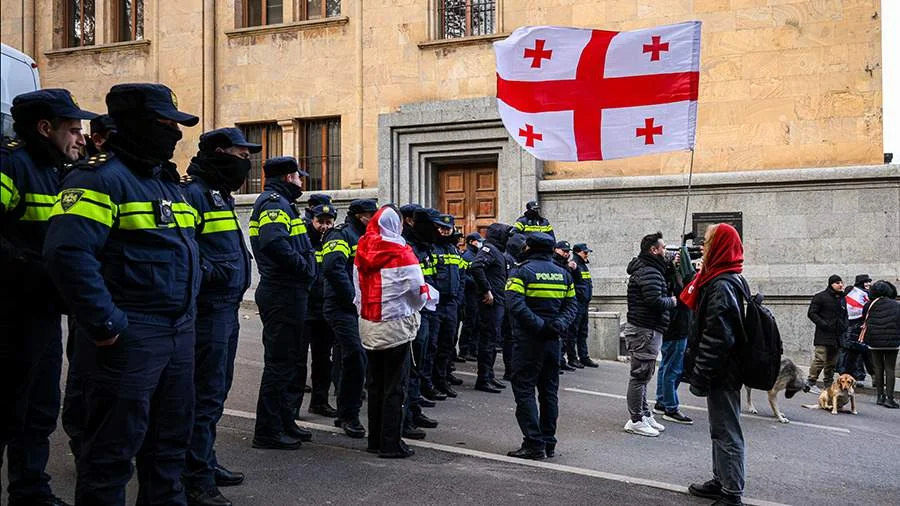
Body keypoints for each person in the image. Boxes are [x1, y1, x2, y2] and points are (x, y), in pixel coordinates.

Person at [43, 83, 199, 505]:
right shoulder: (98, 178)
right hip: (130, 337)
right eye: (165, 124)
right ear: (136, 125)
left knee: (168, 454)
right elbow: (67, 254)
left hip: (177, 334)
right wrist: (107, 324)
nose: (175, 134)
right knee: (110, 458)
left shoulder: (165, 182)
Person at [1, 89, 96, 506]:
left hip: (41, 312)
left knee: (39, 406)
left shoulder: (60, 170)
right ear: (45, 128)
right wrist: (33, 269)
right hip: (7, 314)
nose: (81, 138)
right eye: (73, 130)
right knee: (7, 406)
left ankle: (30, 489)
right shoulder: (11, 165)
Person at [181, 127, 258, 505]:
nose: (247, 163)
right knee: (203, 394)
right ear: (219, 152)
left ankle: (204, 460)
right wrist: (218, 274)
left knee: (216, 391)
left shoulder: (218, 195)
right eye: (242, 156)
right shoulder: (194, 193)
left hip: (225, 309)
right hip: (208, 310)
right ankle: (195, 478)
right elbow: (187, 255)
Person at [355, 205, 435, 458]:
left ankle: (375, 440)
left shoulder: (362, 248)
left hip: (369, 324)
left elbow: (356, 290)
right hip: (396, 326)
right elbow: (417, 291)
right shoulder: (402, 252)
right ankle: (391, 443)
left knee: (376, 384)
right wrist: (420, 303)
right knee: (394, 387)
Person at [248, 156, 317, 450]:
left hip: (288, 292)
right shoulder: (274, 203)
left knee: (288, 362)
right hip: (282, 292)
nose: (302, 181)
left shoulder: (284, 203)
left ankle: (284, 420)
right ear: (289, 177)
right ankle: (267, 431)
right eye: (299, 176)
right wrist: (304, 268)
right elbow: (274, 243)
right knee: (279, 364)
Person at [681, 223, 748, 506]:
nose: (703, 248)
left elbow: (718, 336)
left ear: (719, 247)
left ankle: (731, 493)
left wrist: (701, 374)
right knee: (719, 428)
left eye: (707, 243)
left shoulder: (722, 284)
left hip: (722, 370)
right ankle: (721, 479)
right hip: (722, 369)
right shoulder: (721, 278)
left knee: (726, 429)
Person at [505, 233, 580, 460]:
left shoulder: (520, 271)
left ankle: (533, 443)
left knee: (525, 390)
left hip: (529, 340)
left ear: (529, 247)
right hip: (553, 340)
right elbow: (572, 305)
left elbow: (515, 304)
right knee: (549, 393)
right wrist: (556, 325)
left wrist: (540, 326)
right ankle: (549, 442)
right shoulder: (564, 274)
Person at [323, 198, 377, 438]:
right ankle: (349, 415)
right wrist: (353, 297)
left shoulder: (367, 237)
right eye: (369, 215)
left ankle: (345, 411)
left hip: (360, 306)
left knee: (355, 357)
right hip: (341, 305)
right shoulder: (340, 236)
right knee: (355, 356)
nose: (372, 219)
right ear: (358, 216)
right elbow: (334, 268)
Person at [623, 232, 676, 437]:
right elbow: (654, 301)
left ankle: (644, 414)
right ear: (653, 250)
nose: (666, 252)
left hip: (647, 330)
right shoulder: (650, 272)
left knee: (644, 375)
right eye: (663, 248)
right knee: (639, 376)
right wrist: (672, 301)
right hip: (645, 330)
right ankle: (636, 419)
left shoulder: (651, 269)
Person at [402, 207, 440, 439]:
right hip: (411, 312)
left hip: (426, 309)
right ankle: (405, 418)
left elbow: (430, 276)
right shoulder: (407, 246)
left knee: (419, 364)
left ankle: (414, 410)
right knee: (409, 366)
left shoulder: (425, 246)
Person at [301, 202, 339, 418]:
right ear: (312, 221)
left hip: (324, 310)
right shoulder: (304, 240)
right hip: (306, 309)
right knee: (298, 360)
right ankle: (292, 407)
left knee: (323, 360)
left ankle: (320, 402)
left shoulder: (333, 243)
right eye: (320, 222)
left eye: (328, 222)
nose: (324, 226)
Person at [470, 222, 512, 393]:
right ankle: (483, 379)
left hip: (498, 302)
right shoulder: (489, 249)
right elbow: (476, 266)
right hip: (490, 304)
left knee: (493, 341)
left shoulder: (498, 251)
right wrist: (487, 290)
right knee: (487, 342)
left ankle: (490, 375)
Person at [654, 249, 695, 425]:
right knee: (673, 369)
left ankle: (662, 401)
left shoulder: (668, 275)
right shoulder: (669, 277)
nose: (678, 260)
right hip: (676, 327)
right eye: (674, 257)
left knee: (666, 365)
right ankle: (671, 407)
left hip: (675, 326)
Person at [431, 213, 464, 398]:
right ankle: (430, 383)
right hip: (436, 305)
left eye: (448, 228)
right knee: (432, 347)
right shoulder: (432, 249)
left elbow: (461, 277)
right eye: (441, 228)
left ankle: (442, 380)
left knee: (447, 345)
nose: (444, 231)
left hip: (451, 305)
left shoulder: (453, 249)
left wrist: (458, 300)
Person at [859, 280, 900, 409]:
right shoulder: (896, 305)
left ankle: (879, 396)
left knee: (878, 368)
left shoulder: (868, 305)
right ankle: (890, 398)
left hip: (874, 340)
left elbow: (864, 319)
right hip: (892, 341)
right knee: (890, 369)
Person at [805, 275, 848, 395]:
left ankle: (828, 384)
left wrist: (845, 326)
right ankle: (811, 382)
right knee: (820, 359)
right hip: (823, 335)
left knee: (832, 363)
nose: (840, 285)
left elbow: (845, 315)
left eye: (841, 282)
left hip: (837, 335)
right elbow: (812, 313)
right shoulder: (820, 297)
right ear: (831, 284)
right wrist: (824, 324)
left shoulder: (842, 298)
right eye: (837, 283)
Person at [839, 274, 873, 384]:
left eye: (869, 281)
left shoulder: (863, 294)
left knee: (861, 354)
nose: (868, 284)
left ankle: (864, 376)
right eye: (866, 282)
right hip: (855, 328)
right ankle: (860, 376)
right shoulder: (857, 295)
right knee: (858, 353)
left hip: (859, 328)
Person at [552, 240, 578, 373]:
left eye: (568, 252)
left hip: (565, 303)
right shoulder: (553, 263)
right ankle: (555, 362)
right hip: (556, 304)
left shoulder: (566, 265)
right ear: (556, 250)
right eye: (564, 251)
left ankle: (561, 360)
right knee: (557, 336)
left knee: (565, 334)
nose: (566, 254)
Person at [571, 243, 599, 368]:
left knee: (583, 332)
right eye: (585, 252)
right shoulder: (575, 265)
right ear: (577, 252)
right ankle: (572, 358)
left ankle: (584, 357)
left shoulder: (583, 266)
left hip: (584, 303)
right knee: (573, 332)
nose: (587, 255)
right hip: (577, 303)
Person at [458, 231, 483, 361]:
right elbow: (464, 276)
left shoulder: (477, 255)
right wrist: (475, 282)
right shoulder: (467, 256)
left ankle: (474, 349)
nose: (479, 243)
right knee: (470, 322)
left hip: (477, 293)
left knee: (477, 322)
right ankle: (464, 350)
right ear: (471, 242)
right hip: (469, 294)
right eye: (477, 241)